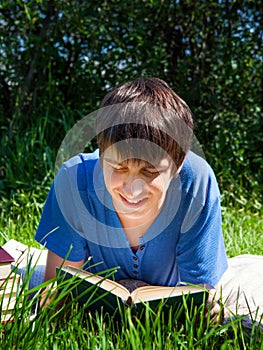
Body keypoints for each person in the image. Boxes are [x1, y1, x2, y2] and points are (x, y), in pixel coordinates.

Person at [35, 77, 228, 321]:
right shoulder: (75, 181)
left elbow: (199, 294)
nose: (132, 189)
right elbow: (55, 292)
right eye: (118, 167)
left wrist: (209, 309)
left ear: (178, 164)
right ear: (102, 154)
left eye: (149, 172)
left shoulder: (196, 182)